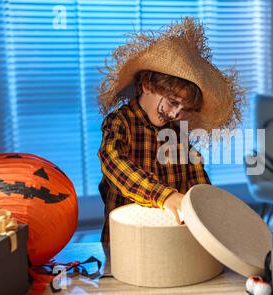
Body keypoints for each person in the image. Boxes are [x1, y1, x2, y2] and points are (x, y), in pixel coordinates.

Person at [97, 17, 244, 242]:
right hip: (126, 238)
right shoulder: (121, 122)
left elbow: (196, 179)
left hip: (172, 239)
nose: (175, 114)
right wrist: (164, 197)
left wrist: (209, 210)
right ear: (147, 85)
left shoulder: (178, 134)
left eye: (184, 109)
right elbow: (113, 161)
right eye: (173, 102)